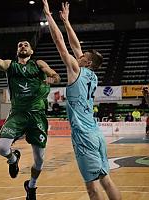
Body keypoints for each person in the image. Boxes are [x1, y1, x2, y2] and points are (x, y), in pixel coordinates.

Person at [42, 1, 121, 200]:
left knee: (92, 189)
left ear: (87, 62)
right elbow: (75, 45)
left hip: (84, 135)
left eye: (83, 55)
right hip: (96, 134)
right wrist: (67, 21)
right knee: (107, 181)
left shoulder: (75, 70)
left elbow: (60, 43)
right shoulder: (91, 75)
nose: (79, 54)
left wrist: (49, 17)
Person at [0, 36, 60, 199]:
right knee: (2, 148)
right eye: (20, 45)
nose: (23, 46)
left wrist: (51, 78)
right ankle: (13, 159)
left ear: (31, 51)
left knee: (39, 160)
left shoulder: (38, 64)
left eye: (26, 45)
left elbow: (55, 75)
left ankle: (31, 186)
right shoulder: (11, 65)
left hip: (37, 116)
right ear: (17, 51)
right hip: (18, 113)